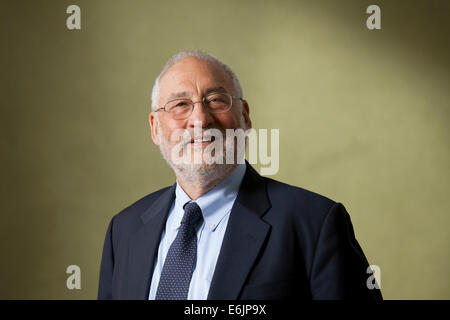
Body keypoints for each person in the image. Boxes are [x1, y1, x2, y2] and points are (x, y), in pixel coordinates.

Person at [97, 50, 382, 300]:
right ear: (155, 128)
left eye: (216, 100)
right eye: (180, 104)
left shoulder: (316, 223)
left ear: (244, 116)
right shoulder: (123, 231)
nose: (200, 119)